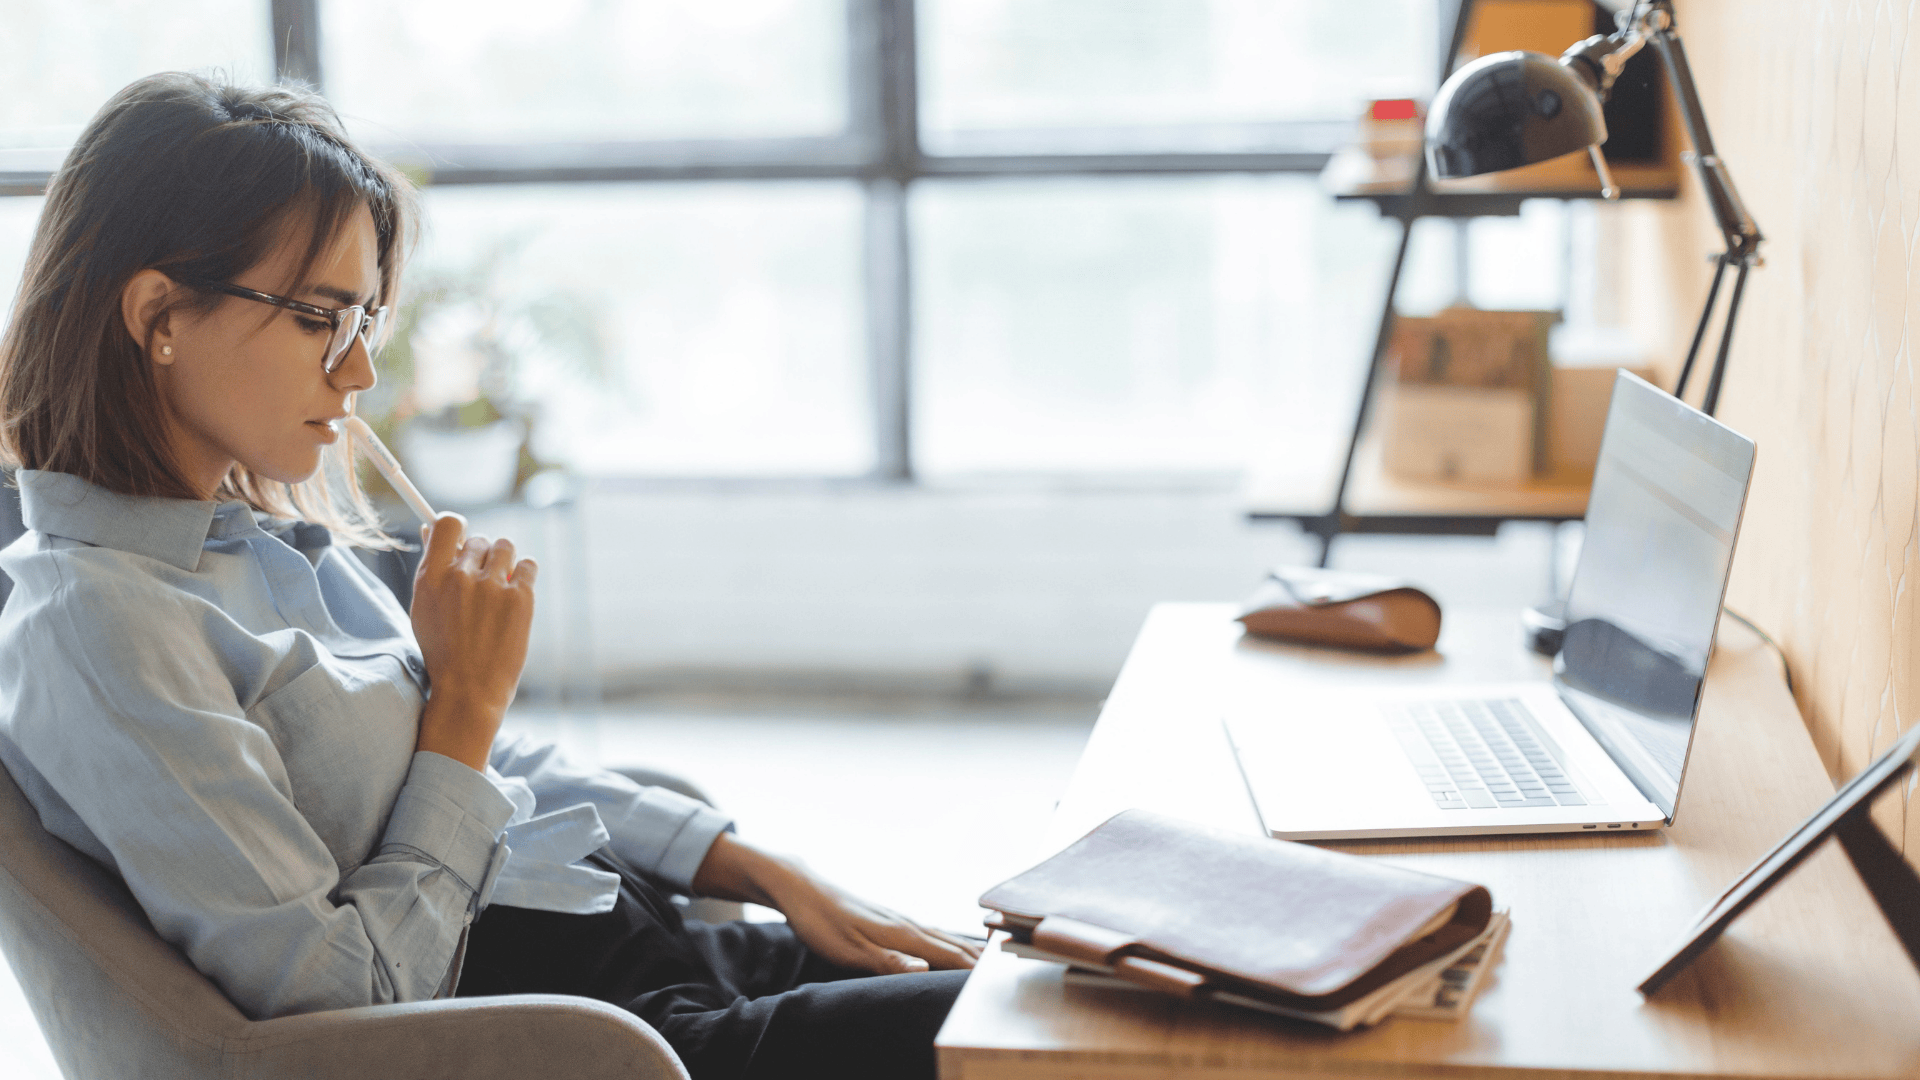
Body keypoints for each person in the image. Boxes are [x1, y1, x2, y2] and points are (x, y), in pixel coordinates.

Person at [0, 72, 976, 1080]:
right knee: (1065, 1044)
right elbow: (344, 994)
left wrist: (765, 871)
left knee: (1073, 988)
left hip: (636, 950)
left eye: (365, 320)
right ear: (159, 311)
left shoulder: (263, 542)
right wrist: (462, 700)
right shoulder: (100, 626)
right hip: (584, 1037)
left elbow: (489, 771)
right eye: (317, 320)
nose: (360, 373)